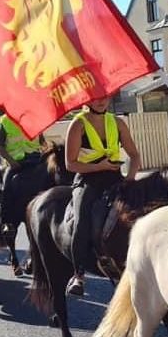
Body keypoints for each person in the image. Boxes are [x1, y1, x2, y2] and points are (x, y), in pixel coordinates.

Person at [63, 96, 140, 296]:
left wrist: (130, 179)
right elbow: (70, 164)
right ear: (87, 98)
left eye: (105, 97)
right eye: (96, 98)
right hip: (88, 180)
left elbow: (135, 155)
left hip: (114, 178)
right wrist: (100, 166)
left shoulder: (118, 123)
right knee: (81, 221)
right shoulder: (78, 124)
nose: (101, 101)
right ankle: (78, 274)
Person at [0, 113, 44, 230]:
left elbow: (42, 142)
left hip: (36, 159)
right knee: (6, 187)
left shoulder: (35, 119)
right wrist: (11, 161)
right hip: (16, 163)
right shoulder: (5, 122)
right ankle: (6, 222)